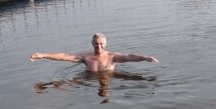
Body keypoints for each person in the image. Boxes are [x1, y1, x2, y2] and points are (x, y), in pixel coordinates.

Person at [30, 33, 158, 72]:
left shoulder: (112, 57)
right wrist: (43, 55)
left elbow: (128, 56)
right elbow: (64, 56)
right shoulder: (86, 57)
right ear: (92, 44)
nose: (99, 46)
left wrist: (145, 57)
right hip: (90, 80)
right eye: (96, 43)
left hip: (109, 78)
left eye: (101, 44)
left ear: (105, 44)